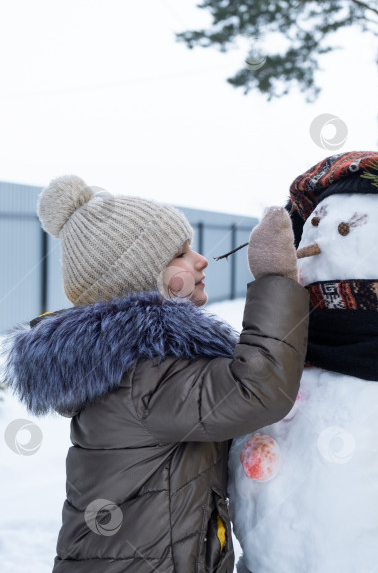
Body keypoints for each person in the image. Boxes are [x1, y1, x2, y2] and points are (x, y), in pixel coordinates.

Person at [1, 174, 309, 573]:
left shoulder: (131, 366)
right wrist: (275, 282)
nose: (200, 259)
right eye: (180, 254)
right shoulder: (143, 378)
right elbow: (258, 389)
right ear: (140, 280)